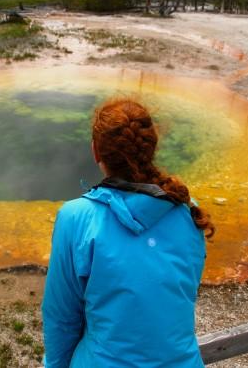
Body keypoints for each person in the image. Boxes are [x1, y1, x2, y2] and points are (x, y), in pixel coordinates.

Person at [41, 98, 214, 367]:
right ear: (150, 149)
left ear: (96, 152)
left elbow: (61, 317)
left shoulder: (76, 218)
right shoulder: (188, 212)